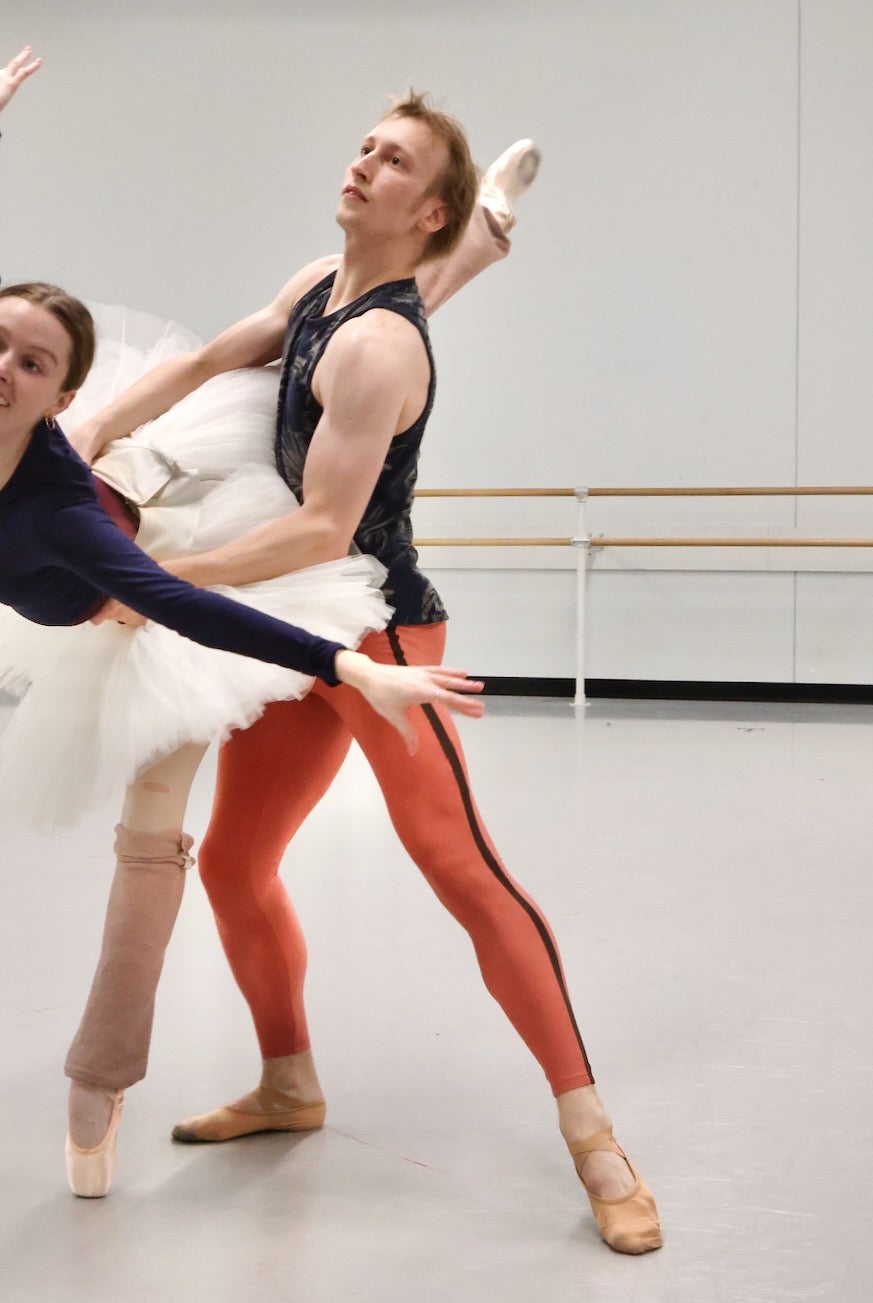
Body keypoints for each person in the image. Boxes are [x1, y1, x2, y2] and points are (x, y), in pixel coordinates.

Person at [70, 91, 664, 1254]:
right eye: (362, 146)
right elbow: (204, 359)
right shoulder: (314, 290)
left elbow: (326, 530)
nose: (361, 163)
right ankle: (289, 1080)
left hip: (382, 633)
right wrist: (85, 439)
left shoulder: (385, 342)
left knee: (460, 863)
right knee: (239, 865)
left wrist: (167, 575)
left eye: (391, 161)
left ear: (426, 208)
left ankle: (594, 1133)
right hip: (298, 620)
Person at [0, 39, 484, 1198]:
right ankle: (472, 249)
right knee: (284, 349)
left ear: (58, 392)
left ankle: (98, 1080)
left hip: (144, 579)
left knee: (151, 840)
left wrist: (348, 662)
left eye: (31, 363)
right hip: (128, 477)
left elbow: (184, 604)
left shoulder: (78, 528)